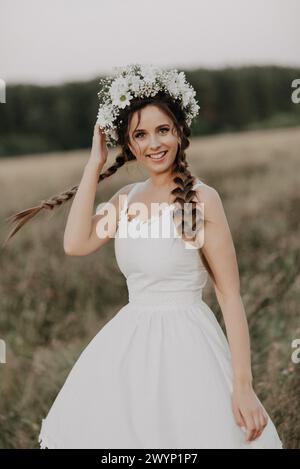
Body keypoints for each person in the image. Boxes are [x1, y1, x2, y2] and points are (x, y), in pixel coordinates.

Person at [3, 64, 283, 449]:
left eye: (163, 130)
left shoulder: (199, 199)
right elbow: (75, 243)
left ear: (180, 132)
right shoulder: (125, 200)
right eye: (141, 134)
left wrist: (243, 385)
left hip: (189, 345)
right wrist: (92, 166)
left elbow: (229, 296)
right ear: (129, 144)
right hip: (131, 344)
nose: (154, 143)